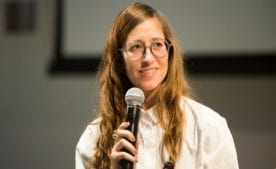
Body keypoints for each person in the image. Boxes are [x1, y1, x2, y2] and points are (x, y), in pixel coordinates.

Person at [75, 2, 239, 169]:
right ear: (119, 60)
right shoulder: (93, 139)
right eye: (136, 47)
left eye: (157, 45)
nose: (148, 58)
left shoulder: (207, 126)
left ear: (169, 52)